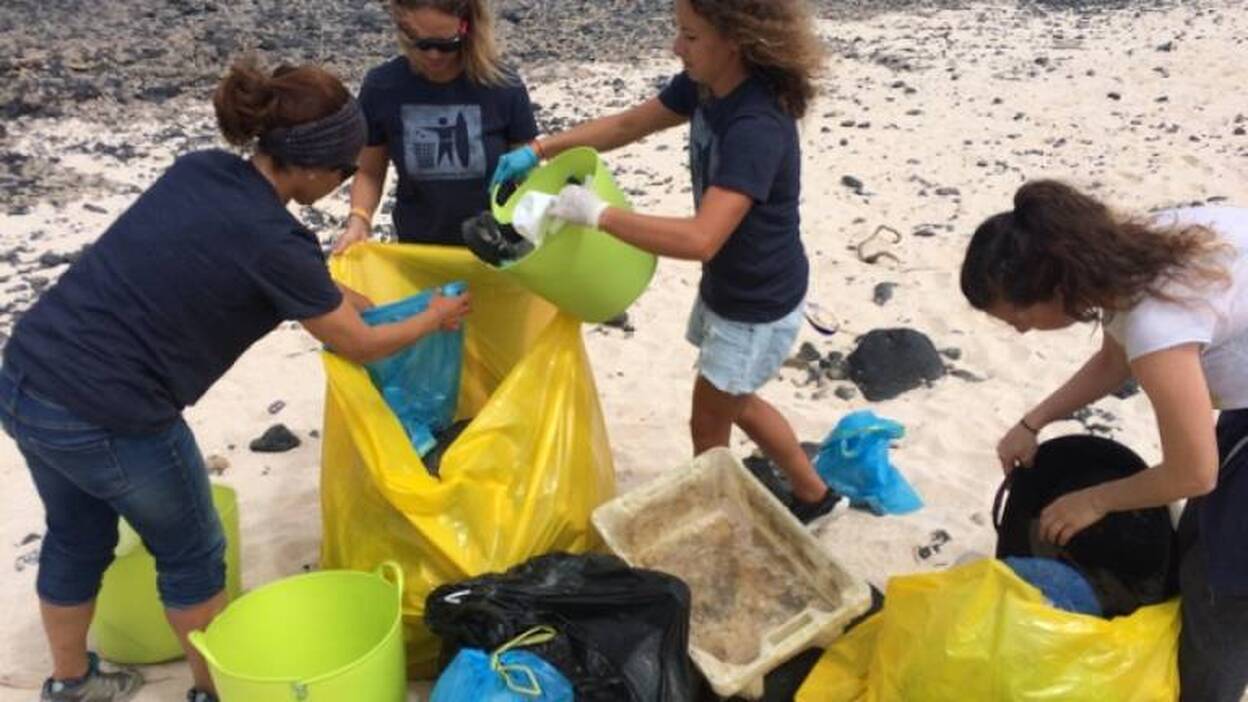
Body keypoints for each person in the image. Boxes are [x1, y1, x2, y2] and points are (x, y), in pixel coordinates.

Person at [0, 58, 470, 702]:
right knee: (192, 554)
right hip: (116, 411)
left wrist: (356, 300)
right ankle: (211, 692)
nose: (341, 184)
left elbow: (286, 281)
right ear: (309, 167)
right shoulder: (277, 241)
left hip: (28, 376)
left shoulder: (202, 172)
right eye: (342, 172)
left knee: (76, 533)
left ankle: (70, 682)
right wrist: (436, 316)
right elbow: (357, 346)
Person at [490, 0, 838, 523]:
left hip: (756, 300)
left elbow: (702, 238)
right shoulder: (705, 86)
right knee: (735, 401)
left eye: (690, 37)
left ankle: (716, 520)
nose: (677, 48)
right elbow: (630, 124)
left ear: (735, 40)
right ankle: (817, 497)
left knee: (708, 424)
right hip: (733, 286)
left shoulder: (756, 125)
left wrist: (599, 215)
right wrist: (541, 148)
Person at [960, 180, 1248, 701]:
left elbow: (1194, 472)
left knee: (1223, 591)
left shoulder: (1158, 321)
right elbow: (1114, 360)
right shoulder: (1129, 253)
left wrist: (1094, 500)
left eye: (1018, 317)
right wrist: (1033, 422)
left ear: (1055, 289)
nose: (1021, 332)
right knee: (1198, 543)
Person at [333, 0, 538, 252]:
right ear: (402, 27)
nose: (433, 55)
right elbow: (369, 172)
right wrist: (359, 220)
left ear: (466, 28)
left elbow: (529, 170)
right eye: (421, 43)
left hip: (500, 245)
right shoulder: (382, 87)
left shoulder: (503, 85)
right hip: (421, 248)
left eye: (445, 45)